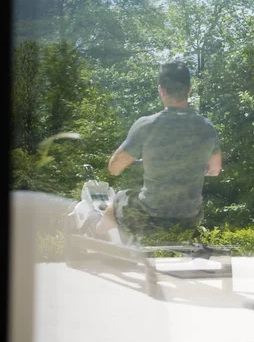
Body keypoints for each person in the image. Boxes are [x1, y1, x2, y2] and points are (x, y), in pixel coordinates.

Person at [95, 61, 222, 242]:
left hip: (150, 216)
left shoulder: (147, 125)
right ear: (189, 90)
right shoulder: (207, 128)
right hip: (190, 217)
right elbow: (215, 170)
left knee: (119, 199)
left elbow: (114, 168)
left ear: (161, 90)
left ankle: (96, 237)